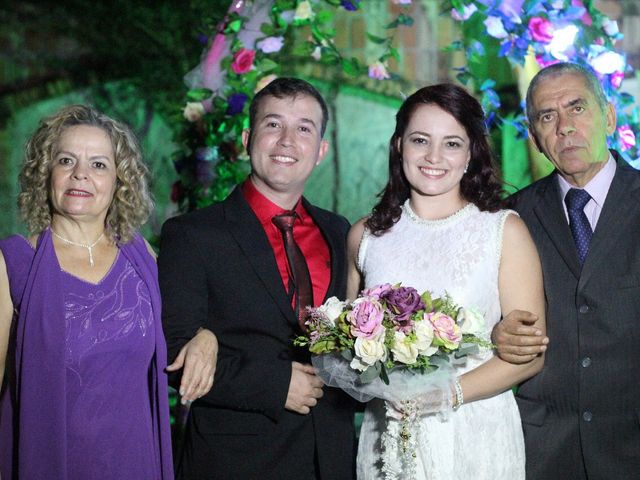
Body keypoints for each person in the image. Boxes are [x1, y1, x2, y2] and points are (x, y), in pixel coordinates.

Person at [0, 105, 214, 479]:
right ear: (46, 173)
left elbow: (179, 334)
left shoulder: (143, 257)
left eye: (98, 164)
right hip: (54, 464)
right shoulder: (14, 264)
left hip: (135, 461)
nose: (80, 173)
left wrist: (206, 337)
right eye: (66, 160)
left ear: (120, 181)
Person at [159, 77, 356, 479]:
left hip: (332, 457)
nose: (287, 140)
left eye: (304, 128)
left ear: (321, 150)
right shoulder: (194, 234)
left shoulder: (340, 232)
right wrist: (272, 383)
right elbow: (174, 354)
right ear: (248, 138)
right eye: (273, 124)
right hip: (237, 459)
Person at [347, 84, 545, 479]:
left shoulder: (503, 231)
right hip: (388, 434)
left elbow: (530, 355)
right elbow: (349, 349)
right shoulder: (364, 237)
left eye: (452, 143)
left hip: (474, 429)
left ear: (471, 153)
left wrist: (446, 394)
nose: (434, 157)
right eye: (421, 140)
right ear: (399, 145)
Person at [493, 62, 640, 478]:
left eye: (577, 107)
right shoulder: (510, 218)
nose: (564, 127)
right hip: (541, 452)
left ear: (609, 116)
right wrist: (495, 334)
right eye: (547, 116)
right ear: (535, 136)